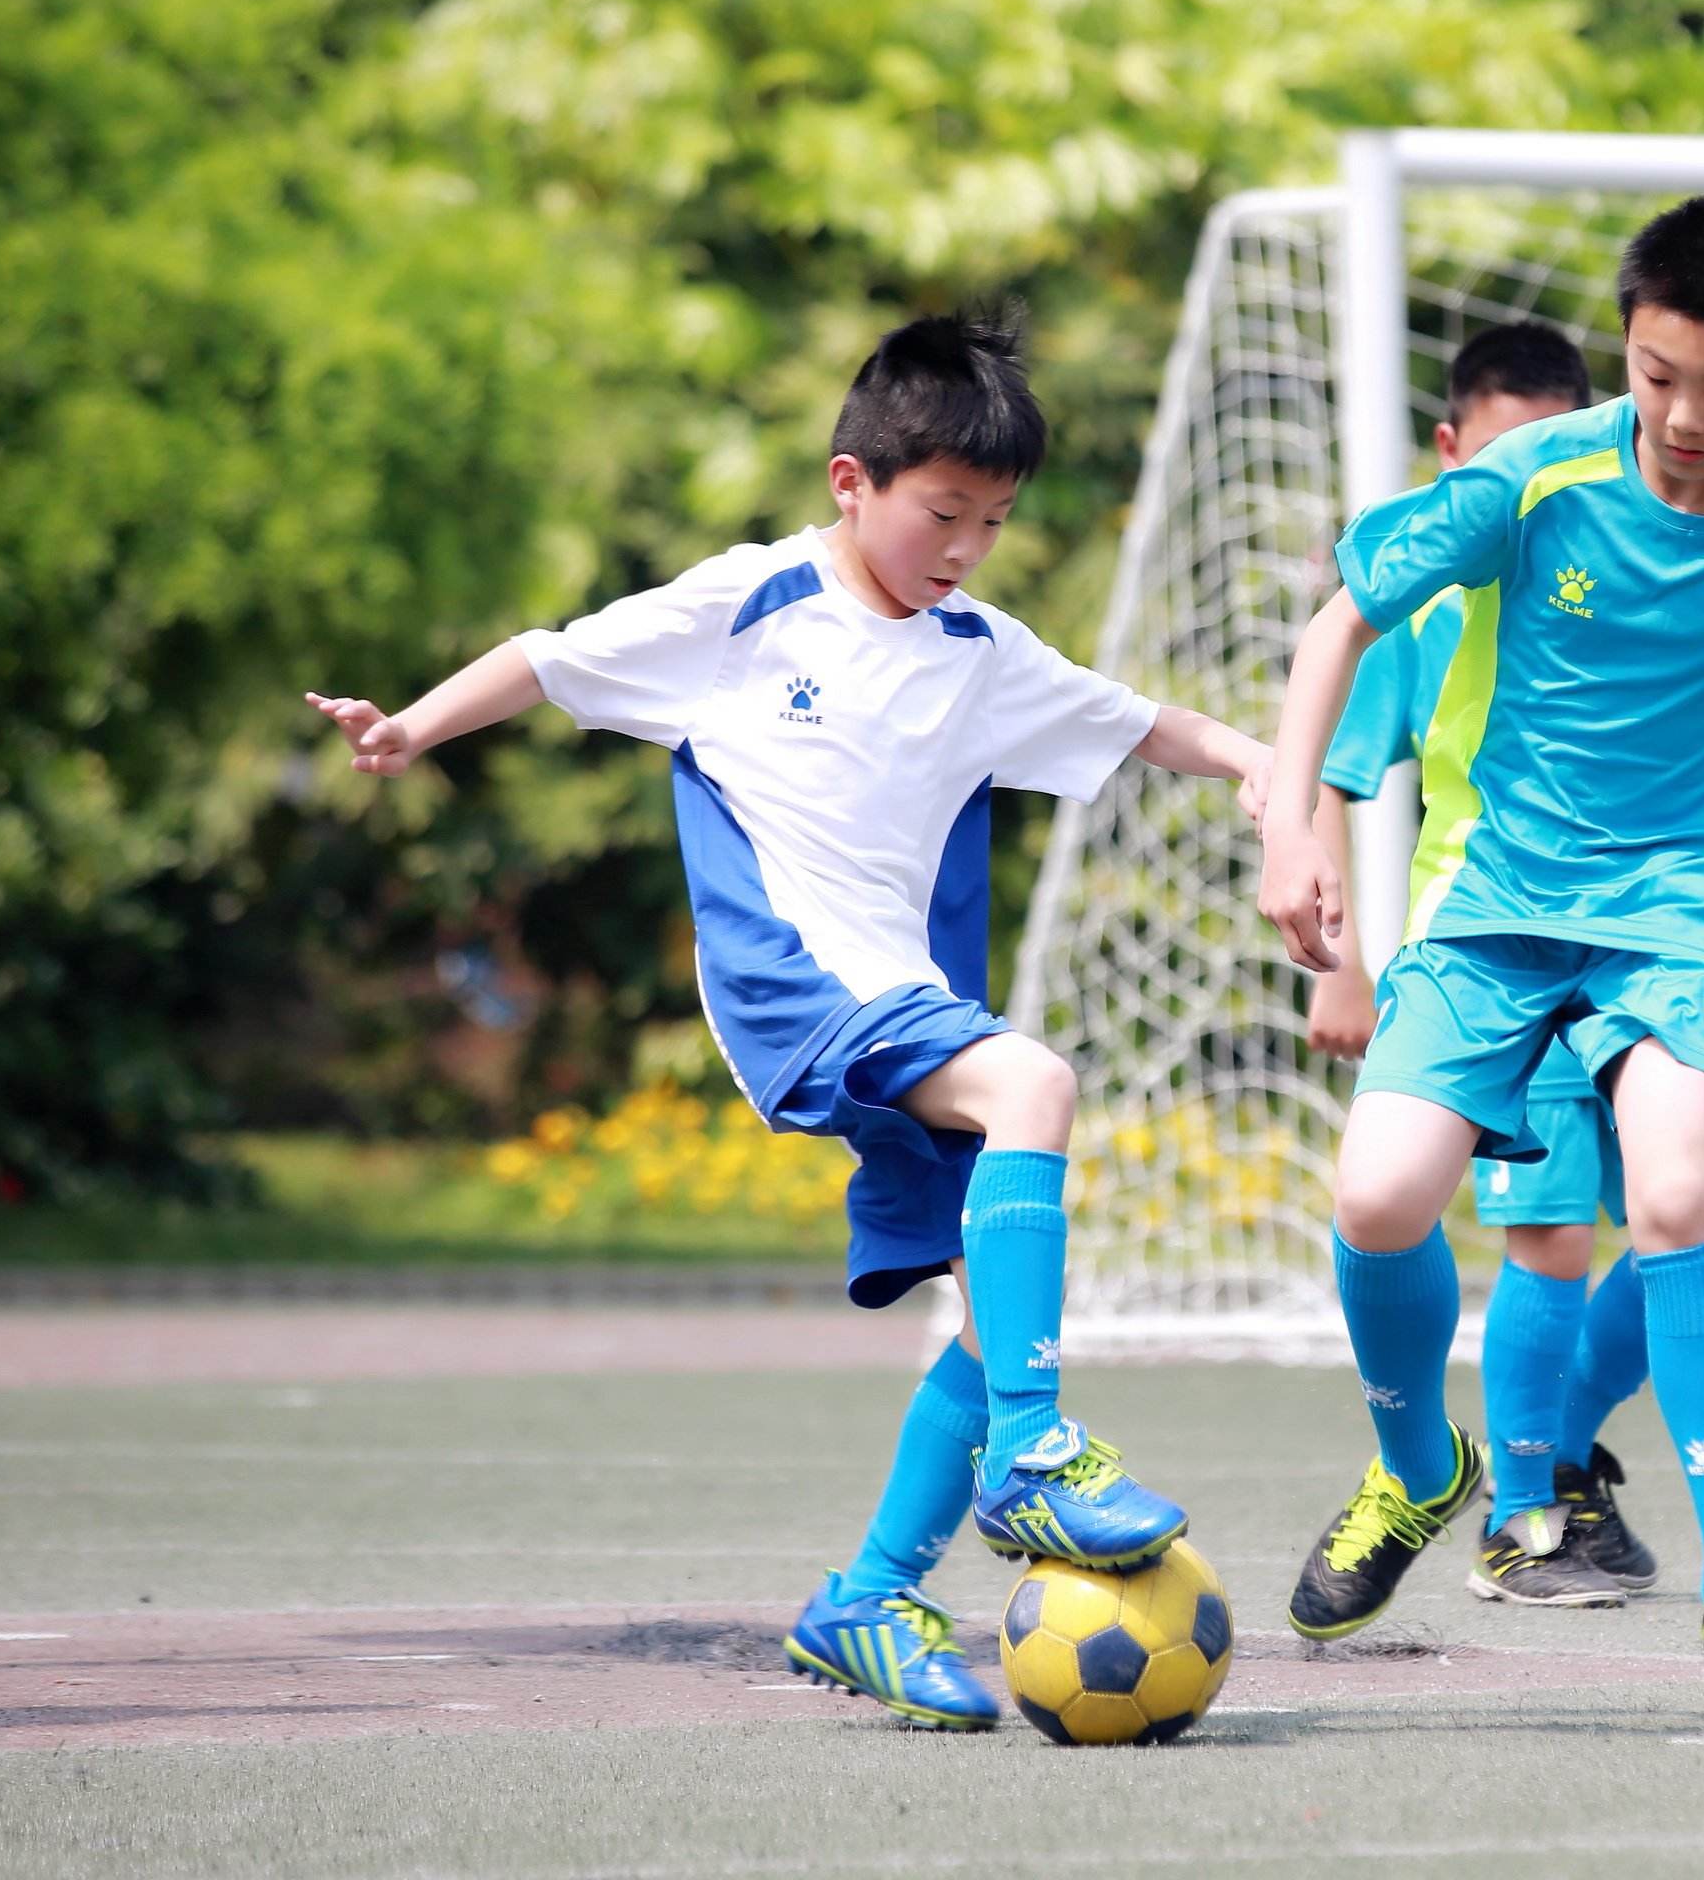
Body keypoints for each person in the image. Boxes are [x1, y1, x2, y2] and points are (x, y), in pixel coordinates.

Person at [306, 314, 1267, 1733]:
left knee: (987, 1308)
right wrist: (412, 731)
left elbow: (1137, 724)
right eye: (943, 512)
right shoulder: (750, 606)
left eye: (993, 521)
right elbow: (549, 654)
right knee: (1036, 1088)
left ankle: (869, 1597)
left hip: (904, 998)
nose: (965, 545)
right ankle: (1030, 1457)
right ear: (850, 483)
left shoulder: (979, 652)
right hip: (795, 987)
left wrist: (1256, 760)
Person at [1255, 197, 1704, 1719]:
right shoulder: (1531, 477)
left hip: (1672, 912)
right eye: (1653, 375)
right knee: (1375, 1195)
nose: (1684, 419)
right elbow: (1338, 629)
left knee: (1692, 1191)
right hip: (1494, 903)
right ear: (1624, 349)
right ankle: (1419, 1469)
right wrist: (1289, 833)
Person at [1304, 322, 1704, 1610]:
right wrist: (1340, 964)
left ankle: (1559, 1446)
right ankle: (1521, 1506)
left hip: (1652, 948)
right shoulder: (1428, 606)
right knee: (1546, 1229)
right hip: (1501, 943)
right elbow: (1345, 778)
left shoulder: (1652, 572)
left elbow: (1703, 788)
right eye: (1509, 443)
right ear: (1455, 451)